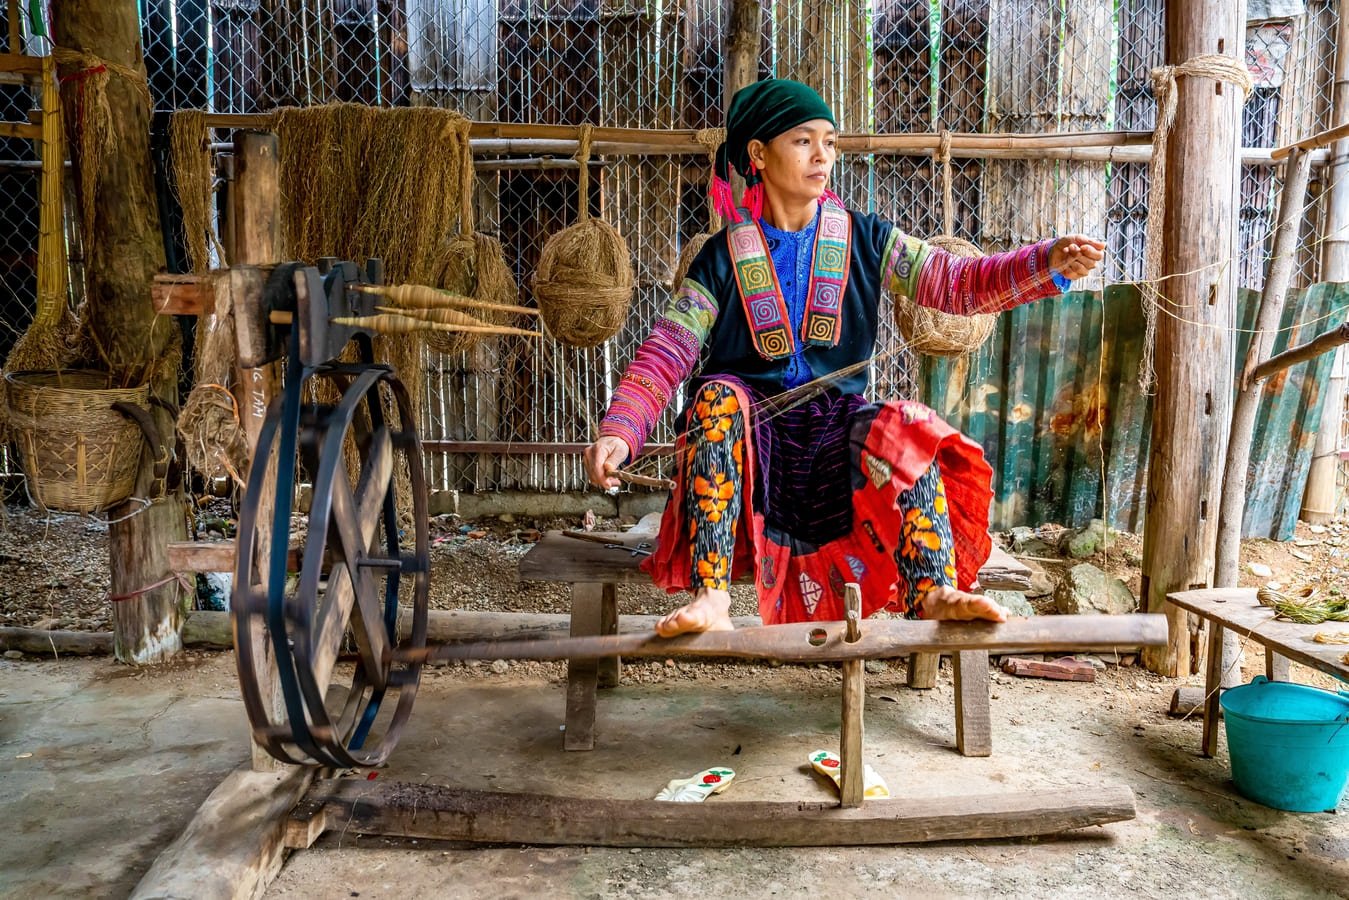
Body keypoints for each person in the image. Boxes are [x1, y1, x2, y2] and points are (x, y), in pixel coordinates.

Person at [583, 79, 1104, 638]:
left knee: (910, 424)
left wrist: (1045, 262)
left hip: (835, 439)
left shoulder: (868, 239)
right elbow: (668, 350)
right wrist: (621, 430)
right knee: (714, 400)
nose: (822, 156)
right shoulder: (719, 257)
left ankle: (931, 589)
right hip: (746, 448)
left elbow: (959, 285)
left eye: (829, 142)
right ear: (757, 155)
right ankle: (711, 597)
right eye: (803, 141)